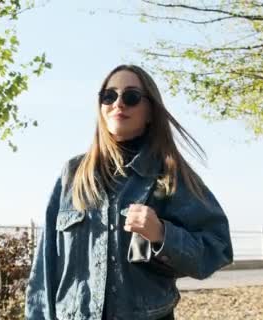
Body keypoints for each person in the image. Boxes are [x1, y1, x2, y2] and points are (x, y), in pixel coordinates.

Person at [25, 64, 233, 320]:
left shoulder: (169, 175)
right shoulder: (73, 173)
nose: (118, 103)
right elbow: (45, 268)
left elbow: (217, 248)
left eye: (131, 96)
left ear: (150, 112)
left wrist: (161, 235)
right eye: (109, 96)